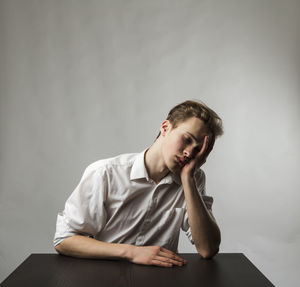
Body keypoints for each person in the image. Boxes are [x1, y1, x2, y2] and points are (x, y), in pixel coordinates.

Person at [54, 100, 223, 268]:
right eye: (187, 139)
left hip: (163, 279)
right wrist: (132, 252)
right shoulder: (105, 173)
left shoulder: (193, 178)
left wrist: (188, 180)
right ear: (165, 128)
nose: (189, 153)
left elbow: (208, 249)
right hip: (106, 276)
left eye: (198, 150)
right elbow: (64, 240)